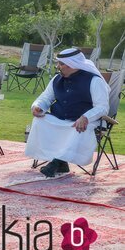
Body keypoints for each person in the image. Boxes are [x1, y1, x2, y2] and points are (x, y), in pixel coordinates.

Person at [25, 48, 110, 177]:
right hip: (59, 118)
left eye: (61, 64)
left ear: (73, 64)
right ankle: (61, 163)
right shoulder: (56, 79)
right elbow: (45, 97)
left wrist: (86, 117)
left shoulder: (94, 80)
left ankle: (56, 162)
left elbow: (103, 107)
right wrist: (38, 106)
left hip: (84, 121)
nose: (58, 66)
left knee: (79, 128)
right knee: (40, 120)